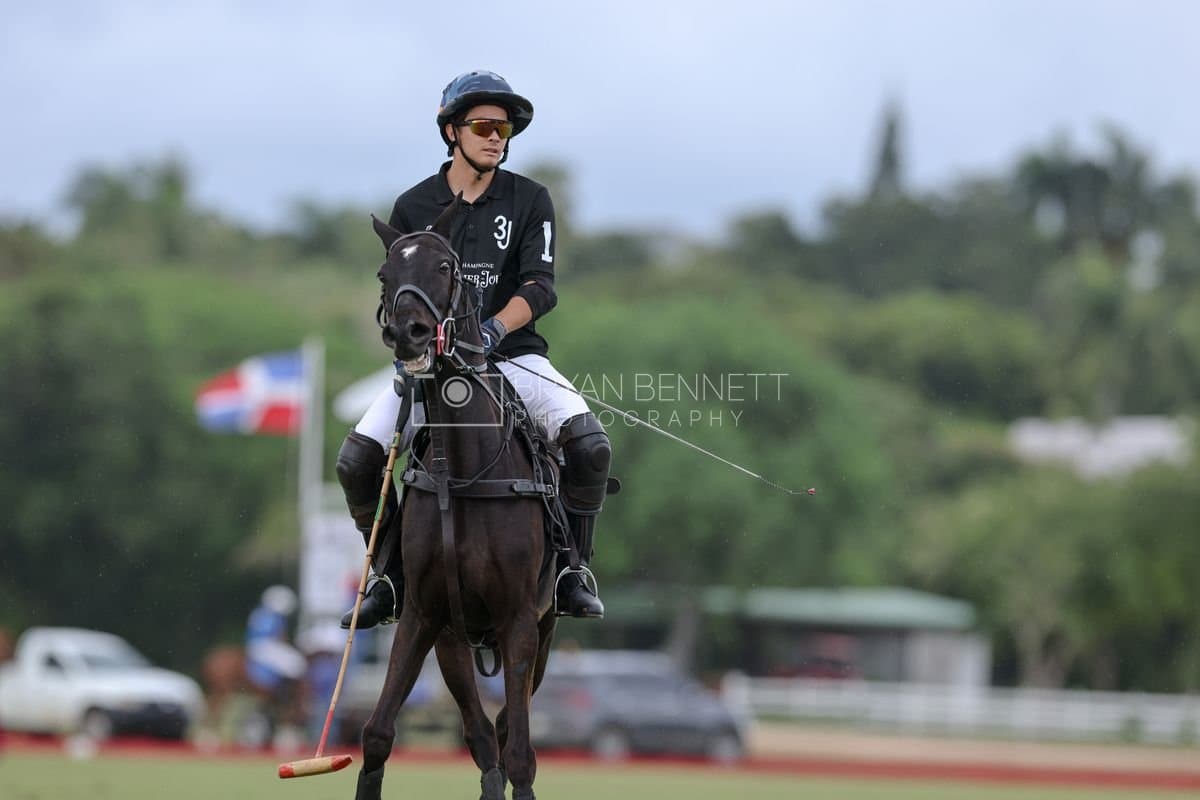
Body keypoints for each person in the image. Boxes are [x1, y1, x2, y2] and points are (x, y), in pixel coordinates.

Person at [337, 69, 610, 629]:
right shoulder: (414, 205)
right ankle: (386, 577)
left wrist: (492, 331)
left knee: (590, 448)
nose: (496, 137)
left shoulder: (530, 199)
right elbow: (402, 292)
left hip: (515, 356)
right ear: (451, 132)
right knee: (356, 461)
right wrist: (422, 345)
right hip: (432, 368)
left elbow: (540, 286)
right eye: (484, 125)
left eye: (505, 128)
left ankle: (572, 572)